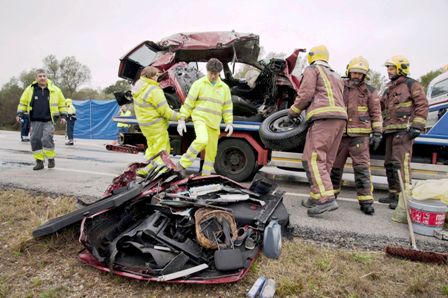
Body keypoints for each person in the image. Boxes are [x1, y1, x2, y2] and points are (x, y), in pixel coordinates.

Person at [288, 45, 347, 217]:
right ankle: (316, 196)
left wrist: (294, 111)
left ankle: (326, 199)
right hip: (339, 119)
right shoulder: (335, 74)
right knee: (325, 160)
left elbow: (305, 93)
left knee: (312, 159)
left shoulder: (312, 69)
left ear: (312, 56)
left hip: (323, 117)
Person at [330, 56, 382, 215]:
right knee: (334, 169)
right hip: (341, 135)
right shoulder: (339, 86)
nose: (357, 75)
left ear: (364, 75)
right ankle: (330, 197)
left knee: (362, 169)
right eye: (354, 72)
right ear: (349, 71)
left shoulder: (370, 90)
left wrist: (378, 132)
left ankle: (366, 202)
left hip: (360, 136)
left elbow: (376, 112)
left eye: (360, 73)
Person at [379, 55, 428, 209]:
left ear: (401, 69)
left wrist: (417, 126)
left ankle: (404, 199)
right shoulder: (389, 88)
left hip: (404, 131)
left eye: (391, 68)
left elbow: (422, 104)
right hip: (390, 131)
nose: (388, 71)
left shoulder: (412, 84)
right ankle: (393, 194)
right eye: (387, 68)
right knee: (389, 164)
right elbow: (379, 106)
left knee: (401, 164)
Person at [176, 58, 233, 176]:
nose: (213, 76)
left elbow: (227, 107)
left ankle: (205, 175)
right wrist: (182, 119)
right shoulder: (198, 84)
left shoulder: (224, 88)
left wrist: (229, 122)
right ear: (207, 71)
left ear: (219, 73)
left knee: (212, 152)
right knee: (202, 140)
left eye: (216, 74)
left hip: (214, 123)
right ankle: (182, 164)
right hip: (200, 119)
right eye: (211, 73)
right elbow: (189, 103)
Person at [132, 66, 180, 177]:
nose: (158, 78)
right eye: (157, 75)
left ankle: (145, 168)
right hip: (157, 126)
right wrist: (181, 116)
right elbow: (166, 113)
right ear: (152, 77)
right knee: (162, 150)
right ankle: (161, 171)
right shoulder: (154, 90)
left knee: (152, 148)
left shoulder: (139, 88)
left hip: (146, 126)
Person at [16, 69, 67, 170]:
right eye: (40, 76)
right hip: (35, 120)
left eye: (44, 76)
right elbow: (23, 103)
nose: (42, 78)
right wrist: (19, 114)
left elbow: (62, 103)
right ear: (36, 78)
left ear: (47, 77)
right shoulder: (30, 89)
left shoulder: (55, 90)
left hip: (49, 120)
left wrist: (64, 116)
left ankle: (51, 158)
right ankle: (39, 162)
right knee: (35, 140)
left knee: (46, 139)